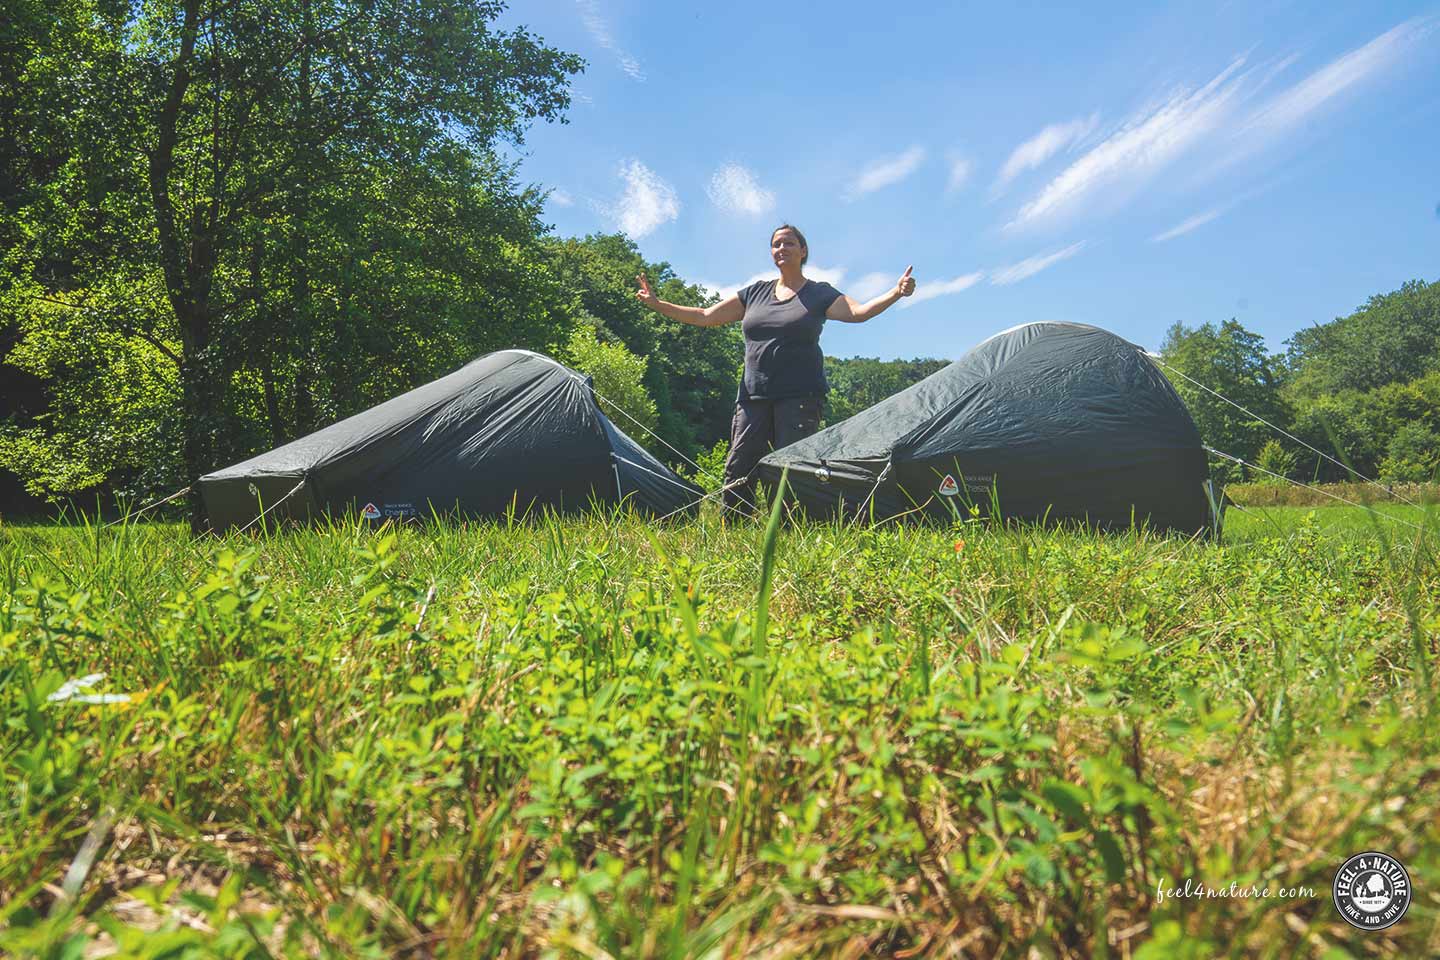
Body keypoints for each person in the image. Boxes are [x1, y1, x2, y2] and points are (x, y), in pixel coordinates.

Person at [635, 224, 916, 513]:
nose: (781, 249)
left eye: (789, 243)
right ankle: (733, 529)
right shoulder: (755, 293)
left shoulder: (819, 294)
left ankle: (787, 531)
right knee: (739, 466)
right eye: (776, 245)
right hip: (752, 396)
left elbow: (858, 313)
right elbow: (705, 316)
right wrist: (658, 305)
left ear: (803, 250)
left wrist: (895, 292)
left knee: (791, 468)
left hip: (800, 397)